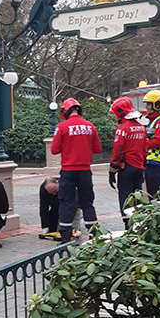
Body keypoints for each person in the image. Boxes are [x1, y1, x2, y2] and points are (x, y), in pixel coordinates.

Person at [50, 98, 101, 243]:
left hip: (68, 171)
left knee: (66, 202)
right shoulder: (90, 126)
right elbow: (97, 149)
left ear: (65, 111)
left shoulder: (62, 127)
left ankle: (66, 237)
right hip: (85, 171)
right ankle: (94, 236)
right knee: (87, 202)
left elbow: (54, 150)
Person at [108, 97, 147, 230]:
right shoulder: (141, 127)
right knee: (138, 197)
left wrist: (112, 170)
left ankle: (128, 226)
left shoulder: (122, 129)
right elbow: (144, 149)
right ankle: (139, 224)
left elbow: (117, 151)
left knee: (125, 198)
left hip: (126, 169)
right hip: (139, 168)